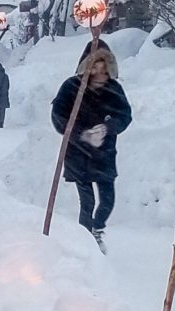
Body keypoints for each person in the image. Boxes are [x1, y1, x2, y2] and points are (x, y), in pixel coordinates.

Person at [50, 48, 132, 254]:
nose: (99, 72)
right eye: (95, 67)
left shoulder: (114, 89)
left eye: (103, 68)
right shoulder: (71, 87)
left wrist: (108, 127)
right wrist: (80, 133)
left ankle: (97, 228)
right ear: (87, 67)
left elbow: (125, 116)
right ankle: (85, 241)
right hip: (79, 154)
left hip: (104, 154)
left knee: (107, 199)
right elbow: (58, 116)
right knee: (87, 201)